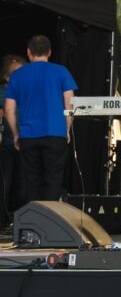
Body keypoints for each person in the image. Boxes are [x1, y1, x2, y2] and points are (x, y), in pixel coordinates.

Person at [3, 36, 77, 204]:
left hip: (28, 135)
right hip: (55, 133)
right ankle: (49, 218)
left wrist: (16, 134)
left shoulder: (17, 75)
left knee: (31, 181)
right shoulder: (61, 71)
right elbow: (70, 103)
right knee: (53, 179)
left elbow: (9, 109)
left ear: (28, 52)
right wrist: (66, 127)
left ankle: (33, 218)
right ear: (49, 52)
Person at [0, 54, 27, 225]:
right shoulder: (3, 92)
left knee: (23, 184)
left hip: (25, 144)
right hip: (6, 145)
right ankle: (4, 220)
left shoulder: (28, 93)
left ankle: (20, 220)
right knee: (6, 183)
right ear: (7, 77)